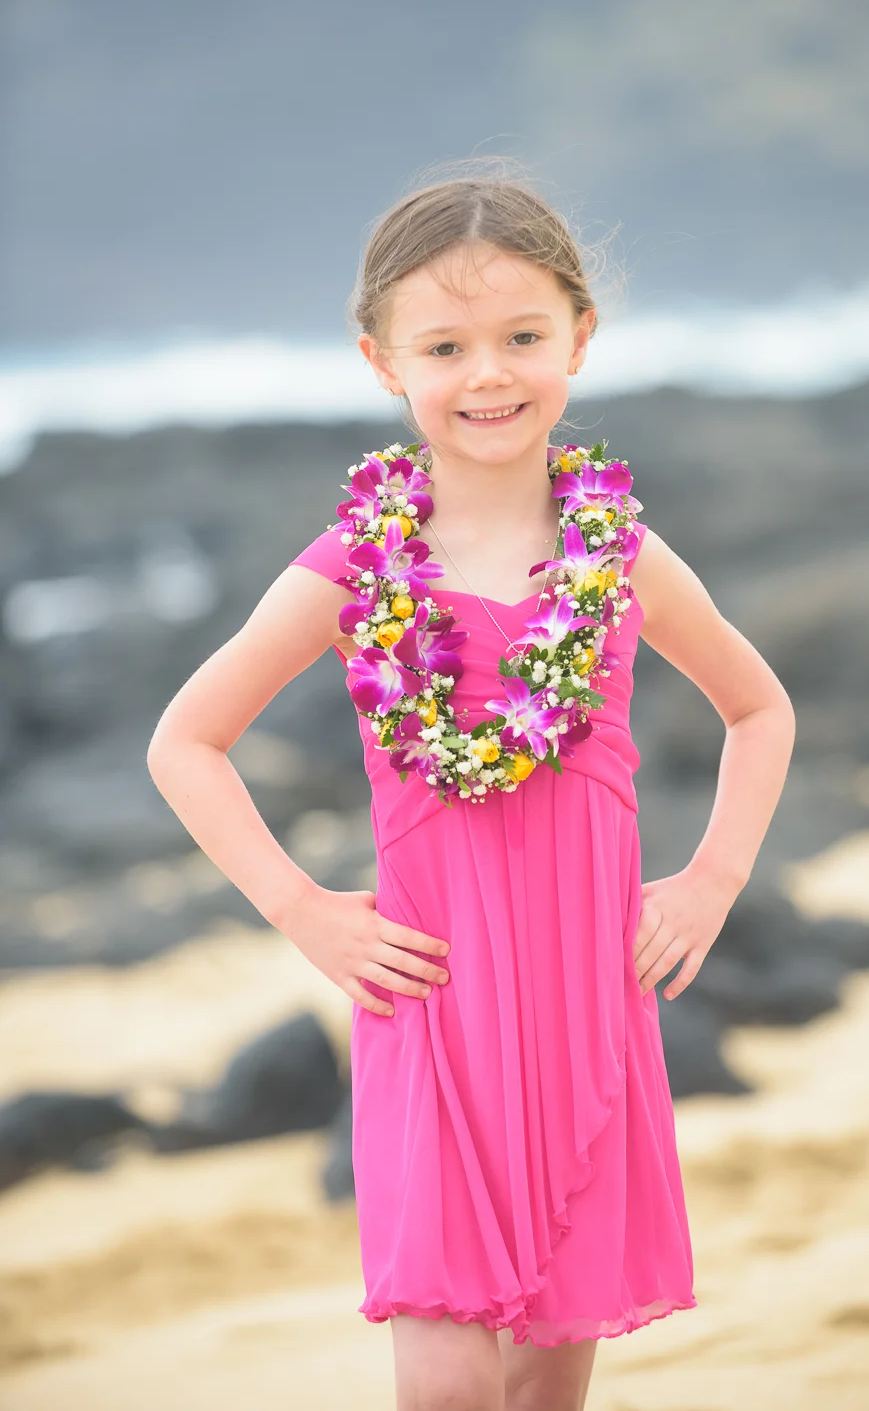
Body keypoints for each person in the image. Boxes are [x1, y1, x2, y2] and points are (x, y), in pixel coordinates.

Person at [147, 166, 796, 1411]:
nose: (487, 374)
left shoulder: (620, 558)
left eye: (521, 337)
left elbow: (758, 707)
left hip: (587, 1008)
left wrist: (713, 878)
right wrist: (301, 908)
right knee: (445, 1384)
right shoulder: (355, 567)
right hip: (434, 1007)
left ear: (580, 339)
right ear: (383, 361)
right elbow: (188, 740)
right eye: (444, 346)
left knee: (548, 1389)